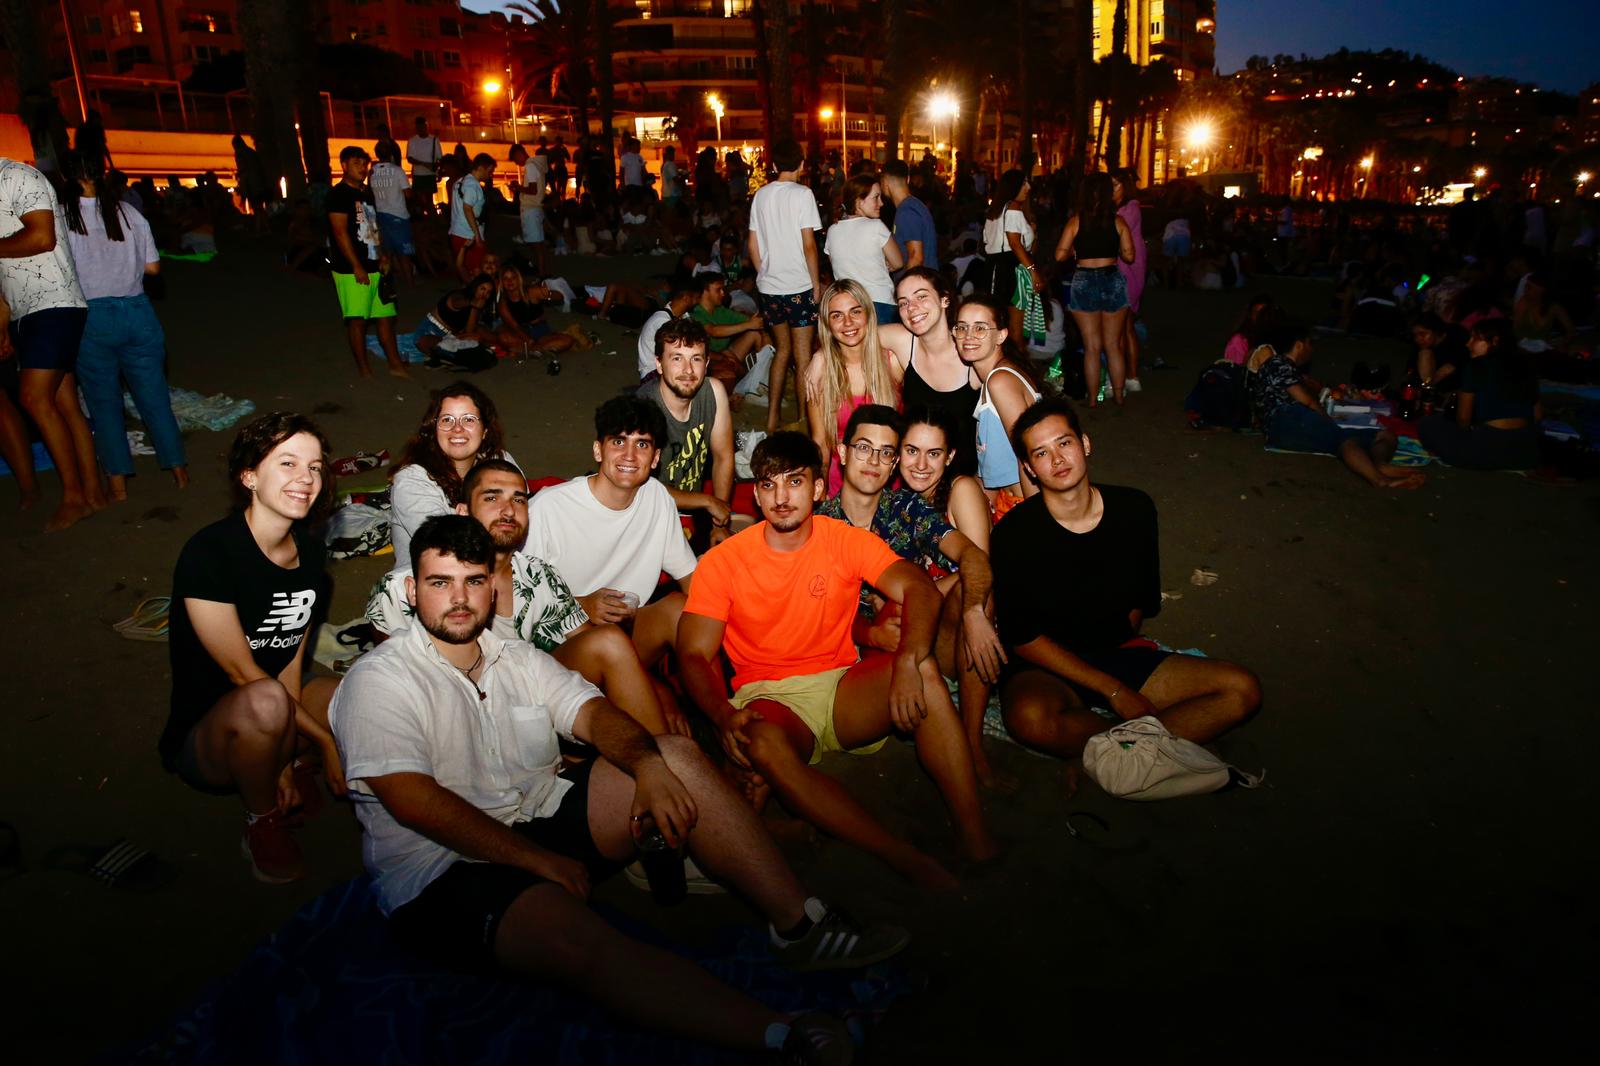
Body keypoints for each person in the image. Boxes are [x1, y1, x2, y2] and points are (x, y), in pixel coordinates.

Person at [332, 515, 901, 1065]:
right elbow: (413, 800)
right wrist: (537, 862)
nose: (458, 597)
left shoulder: (514, 658)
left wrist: (648, 766)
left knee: (673, 754)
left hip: (533, 815)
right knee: (578, 943)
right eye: (440, 582)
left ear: (491, 589)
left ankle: (798, 924)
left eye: (473, 581)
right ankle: (783, 1037)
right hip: (442, 869)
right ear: (412, 590)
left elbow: (596, 713)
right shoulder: (381, 680)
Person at [677, 431, 998, 888]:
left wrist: (909, 659)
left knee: (923, 672)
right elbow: (692, 652)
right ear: (757, 491)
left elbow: (916, 586)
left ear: (818, 488)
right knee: (760, 741)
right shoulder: (724, 561)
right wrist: (722, 715)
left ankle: (975, 836)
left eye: (795, 482)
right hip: (772, 699)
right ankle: (899, 855)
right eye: (768, 485)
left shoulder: (841, 538)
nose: (782, 497)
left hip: (843, 686)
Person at [994, 397, 1262, 760]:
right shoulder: (1014, 533)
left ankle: (1099, 748)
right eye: (1040, 453)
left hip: (1113, 651)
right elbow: (1022, 638)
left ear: (1085, 444)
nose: (1057, 460)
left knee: (1242, 690)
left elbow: (1141, 602)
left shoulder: (1133, 508)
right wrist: (1114, 690)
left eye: (1064, 443)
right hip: (1048, 666)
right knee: (1030, 719)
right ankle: (1140, 744)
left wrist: (1119, 665)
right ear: (1028, 468)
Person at [158, 413, 344, 883]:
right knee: (263, 701)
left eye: (316, 466)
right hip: (210, 738)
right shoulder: (210, 554)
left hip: (275, 705)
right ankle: (260, 821)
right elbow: (245, 674)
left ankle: (289, 761)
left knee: (358, 690)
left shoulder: (311, 554)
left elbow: (290, 659)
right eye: (287, 463)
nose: (305, 478)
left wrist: (291, 750)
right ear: (249, 477)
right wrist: (323, 740)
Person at [366, 462, 682, 736]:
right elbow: (388, 679)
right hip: (450, 712)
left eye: (519, 499)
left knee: (611, 641)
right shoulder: (404, 589)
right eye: (492, 498)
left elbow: (599, 648)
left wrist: (658, 693)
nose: (508, 510)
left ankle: (669, 767)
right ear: (462, 511)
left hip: (529, 695)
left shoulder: (538, 576)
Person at [817, 405, 1010, 790]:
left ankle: (971, 745)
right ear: (842, 452)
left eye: (885, 452)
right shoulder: (820, 526)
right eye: (863, 449)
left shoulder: (907, 507)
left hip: (921, 632)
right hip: (861, 651)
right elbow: (816, 618)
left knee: (971, 586)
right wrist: (870, 632)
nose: (874, 461)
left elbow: (973, 557)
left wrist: (972, 610)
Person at [525, 397, 698, 671]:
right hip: (559, 647)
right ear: (598, 450)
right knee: (608, 642)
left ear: (655, 458)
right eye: (618, 441)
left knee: (682, 610)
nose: (629, 455)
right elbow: (515, 602)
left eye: (641, 444)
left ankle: (725, 706)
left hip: (627, 632)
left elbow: (691, 578)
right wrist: (579, 606)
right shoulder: (548, 508)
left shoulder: (657, 498)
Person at [61, 151, 188, 502]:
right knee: (155, 397)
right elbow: (153, 269)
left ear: (65, 177)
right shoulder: (128, 212)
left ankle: (118, 485)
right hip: (137, 310)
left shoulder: (60, 220)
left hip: (90, 316)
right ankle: (179, 471)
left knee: (104, 404)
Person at [0, 155, 103, 530]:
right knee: (65, 403)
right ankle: (94, 492)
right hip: (25, 310)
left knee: (33, 398)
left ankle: (75, 497)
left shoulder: (16, 176)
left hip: (53, 302)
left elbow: (42, 237)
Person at [1249, 323, 1424, 489]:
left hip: (1287, 428)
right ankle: (1380, 480)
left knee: (1385, 435)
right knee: (1345, 441)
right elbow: (1305, 400)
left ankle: (1380, 465)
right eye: (1311, 344)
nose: (1312, 350)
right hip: (1287, 420)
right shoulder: (1278, 363)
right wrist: (1327, 421)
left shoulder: (1285, 369)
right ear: (1299, 345)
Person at [388, 383, 520, 574]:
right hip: (432, 582)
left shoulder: (501, 462)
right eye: (447, 420)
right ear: (434, 429)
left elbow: (521, 516)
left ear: (485, 430)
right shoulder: (411, 481)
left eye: (469, 419)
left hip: (495, 573)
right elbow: (449, 547)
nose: (457, 429)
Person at [638, 318, 738, 546]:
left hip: (696, 508)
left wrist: (719, 523)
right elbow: (644, 486)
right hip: (649, 511)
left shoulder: (713, 391)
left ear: (707, 363)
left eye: (696, 359)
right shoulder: (644, 407)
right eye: (676, 358)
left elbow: (724, 456)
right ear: (659, 364)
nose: (688, 370)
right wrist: (708, 502)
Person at [748, 138, 823, 433]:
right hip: (799, 286)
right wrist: (815, 283)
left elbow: (753, 244)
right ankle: (805, 420)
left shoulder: (761, 196)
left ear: (775, 165)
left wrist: (764, 273)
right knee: (803, 354)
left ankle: (771, 419)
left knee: (782, 351)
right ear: (802, 165)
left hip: (769, 288)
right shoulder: (803, 194)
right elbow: (809, 245)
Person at [808, 280, 901, 496]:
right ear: (827, 324)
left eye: (855, 312)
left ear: (868, 314)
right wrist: (820, 494)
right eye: (837, 315)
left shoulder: (893, 363)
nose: (848, 322)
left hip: (888, 481)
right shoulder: (819, 376)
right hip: (840, 483)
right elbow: (820, 441)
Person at [325, 146, 407, 379]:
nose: (362, 168)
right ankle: (364, 370)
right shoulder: (338, 195)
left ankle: (395, 364)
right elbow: (340, 233)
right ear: (343, 165)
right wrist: (356, 265)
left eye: (365, 164)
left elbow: (373, 227)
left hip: (375, 263)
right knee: (358, 320)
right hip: (350, 268)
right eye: (356, 163)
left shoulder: (366, 193)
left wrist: (382, 254)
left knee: (385, 316)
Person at [1054, 172, 1136, 407]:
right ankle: (1119, 395)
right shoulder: (1118, 221)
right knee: (1113, 344)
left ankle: (1092, 399)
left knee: (1091, 346)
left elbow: (1059, 255)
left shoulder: (1076, 221)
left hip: (1084, 280)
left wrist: (1075, 252)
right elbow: (1130, 256)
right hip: (1112, 279)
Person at [954, 294, 1040, 514]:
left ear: (1001, 335)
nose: (968, 336)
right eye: (962, 328)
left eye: (980, 328)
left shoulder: (999, 381)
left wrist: (1037, 517)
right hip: (1006, 497)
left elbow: (1028, 452)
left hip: (1021, 503)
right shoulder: (994, 375)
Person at [1418, 318, 1542, 470]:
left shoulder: (1476, 366)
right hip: (1525, 450)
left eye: (1475, 339)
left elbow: (1463, 420)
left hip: (1487, 447)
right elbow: (1537, 416)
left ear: (1495, 341)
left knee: (1428, 424)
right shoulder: (1525, 365)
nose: (1468, 344)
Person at [825, 174, 903, 325]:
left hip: (850, 306)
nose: (881, 203)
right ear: (858, 201)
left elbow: (837, 263)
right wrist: (884, 263)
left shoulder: (832, 231)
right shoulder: (876, 227)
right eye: (876, 197)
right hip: (880, 303)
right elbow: (898, 262)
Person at [981, 169, 1039, 341]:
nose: (1028, 187)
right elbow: (1014, 243)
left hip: (995, 267)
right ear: (1013, 187)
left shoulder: (995, 211)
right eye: (1023, 183)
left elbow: (987, 242)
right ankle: (1015, 363)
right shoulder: (1013, 209)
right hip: (1009, 268)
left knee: (998, 323)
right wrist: (1033, 271)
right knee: (1014, 328)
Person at [690, 272, 770, 389]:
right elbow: (713, 331)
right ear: (705, 292)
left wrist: (757, 322)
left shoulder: (720, 310)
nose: (723, 293)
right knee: (728, 373)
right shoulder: (695, 313)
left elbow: (749, 321)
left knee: (756, 333)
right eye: (718, 290)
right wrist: (748, 324)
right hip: (706, 358)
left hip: (726, 353)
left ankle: (763, 378)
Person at [1112, 170, 1148, 390]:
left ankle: (1130, 375)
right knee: (1124, 327)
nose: (1111, 190)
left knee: (1124, 328)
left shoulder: (1129, 209)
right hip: (1124, 270)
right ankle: (1129, 376)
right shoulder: (1124, 209)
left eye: (1115, 185)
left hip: (1128, 272)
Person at [496, 265, 573, 356]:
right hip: (522, 332)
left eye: (513, 277)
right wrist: (529, 340)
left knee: (567, 340)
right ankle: (536, 351)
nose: (510, 281)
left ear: (519, 279)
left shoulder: (531, 291)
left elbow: (560, 297)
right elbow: (515, 327)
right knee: (502, 337)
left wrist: (549, 294)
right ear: (501, 282)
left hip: (540, 329)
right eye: (506, 278)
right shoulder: (503, 303)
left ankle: (528, 351)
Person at [369, 139, 415, 287]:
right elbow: (408, 194)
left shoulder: (373, 172)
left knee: (386, 253)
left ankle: (385, 283)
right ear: (391, 154)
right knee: (404, 254)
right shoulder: (397, 171)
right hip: (398, 215)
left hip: (381, 215)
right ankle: (410, 283)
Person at [636, 277, 697, 380]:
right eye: (696, 298)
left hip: (666, 366)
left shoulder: (683, 316)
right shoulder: (661, 320)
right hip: (653, 371)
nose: (697, 301)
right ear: (686, 298)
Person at [881, 159, 937, 271]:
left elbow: (916, 258)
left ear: (885, 181)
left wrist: (906, 286)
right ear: (907, 179)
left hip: (918, 284)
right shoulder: (913, 205)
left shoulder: (907, 212)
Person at [449, 154, 495, 281]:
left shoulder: (459, 182)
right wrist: (477, 236)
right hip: (469, 235)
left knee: (465, 270)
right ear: (480, 168)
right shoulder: (472, 185)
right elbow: (467, 208)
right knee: (479, 272)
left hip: (457, 232)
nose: (490, 174)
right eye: (489, 171)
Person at [508, 143, 550, 277]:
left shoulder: (530, 166)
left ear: (519, 153)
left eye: (515, 159)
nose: (516, 163)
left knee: (536, 245)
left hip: (531, 209)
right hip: (536, 208)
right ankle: (542, 272)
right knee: (539, 244)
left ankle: (542, 274)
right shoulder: (536, 165)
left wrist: (518, 188)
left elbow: (532, 190)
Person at [1408, 311, 1466, 387]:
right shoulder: (1421, 346)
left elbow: (1447, 370)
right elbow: (1410, 373)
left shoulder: (1455, 339)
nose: (1418, 339)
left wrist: (1426, 384)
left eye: (1423, 334)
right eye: (1415, 336)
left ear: (1436, 330)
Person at [406, 116, 443, 217]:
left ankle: (431, 222)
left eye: (422, 126)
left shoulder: (434, 140)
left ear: (426, 126)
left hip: (429, 174)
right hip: (419, 174)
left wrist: (438, 169)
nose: (420, 129)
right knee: (420, 201)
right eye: (418, 127)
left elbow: (439, 158)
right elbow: (409, 158)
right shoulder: (413, 140)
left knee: (429, 201)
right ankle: (428, 221)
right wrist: (425, 164)